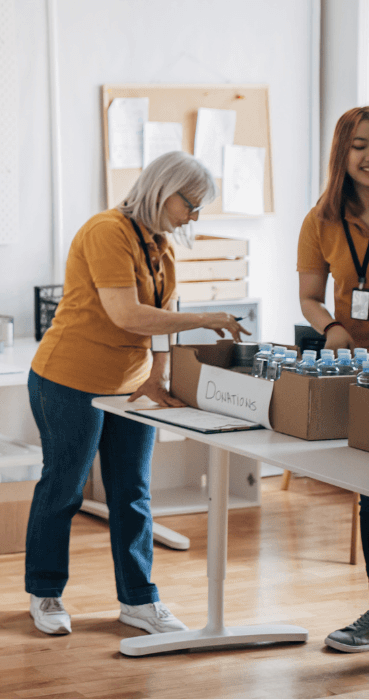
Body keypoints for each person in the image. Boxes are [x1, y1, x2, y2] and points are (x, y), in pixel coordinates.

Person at [24, 150, 247, 637]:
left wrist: (156, 378)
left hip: (128, 385)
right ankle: (45, 592)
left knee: (132, 492)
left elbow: (161, 325)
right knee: (64, 488)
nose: (193, 217)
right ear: (164, 191)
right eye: (191, 205)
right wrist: (208, 318)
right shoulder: (107, 232)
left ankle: (140, 601)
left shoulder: (161, 247)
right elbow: (127, 315)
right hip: (69, 378)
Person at [297, 106, 369, 653]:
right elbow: (309, 298)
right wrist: (333, 327)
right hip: (358, 371)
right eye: (361, 145)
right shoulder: (320, 221)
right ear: (342, 152)